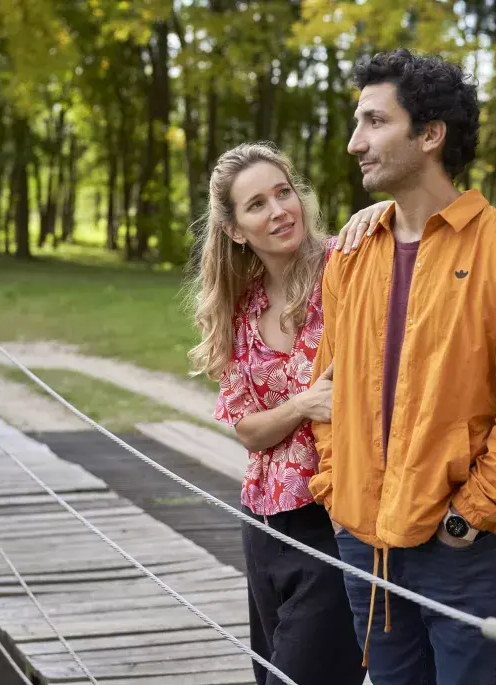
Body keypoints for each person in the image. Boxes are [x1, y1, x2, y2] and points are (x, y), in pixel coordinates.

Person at [308, 49, 496, 685]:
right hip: (364, 540)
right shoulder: (351, 255)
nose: (354, 143)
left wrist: (467, 519)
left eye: (375, 122)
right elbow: (329, 389)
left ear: (430, 135)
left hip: (466, 546)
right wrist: (336, 486)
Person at [187, 141, 386, 685]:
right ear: (233, 229)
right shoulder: (241, 304)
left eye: (284, 192)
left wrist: (382, 211)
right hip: (264, 522)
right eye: (257, 205)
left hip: (337, 521)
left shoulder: (348, 268)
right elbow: (249, 431)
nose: (279, 211)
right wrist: (301, 405)